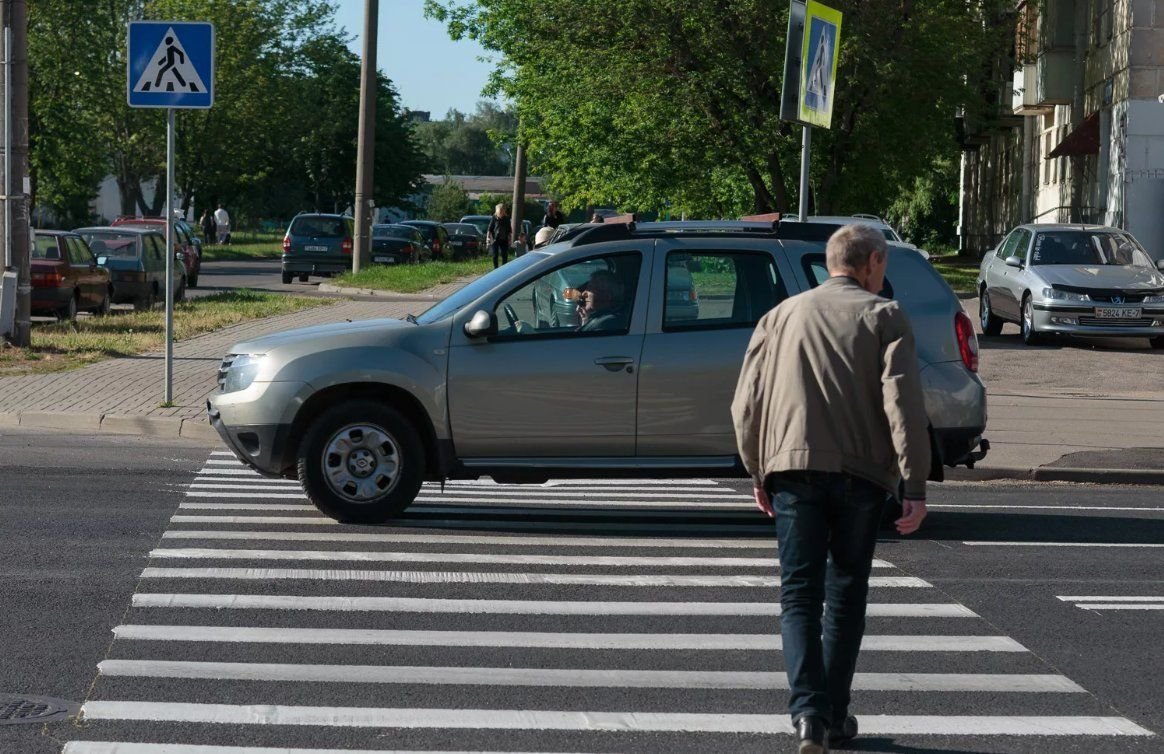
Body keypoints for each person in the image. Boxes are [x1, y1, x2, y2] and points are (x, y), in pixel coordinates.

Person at [730, 224, 930, 754]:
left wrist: (757, 470)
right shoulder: (884, 316)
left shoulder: (780, 315)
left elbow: (744, 403)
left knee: (798, 595)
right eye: (882, 267)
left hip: (792, 470)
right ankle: (835, 714)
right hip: (863, 476)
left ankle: (808, 717)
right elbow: (904, 406)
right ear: (873, 261)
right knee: (845, 595)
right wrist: (914, 484)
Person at [485, 203, 511, 269]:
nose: (501, 214)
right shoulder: (494, 217)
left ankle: (504, 269)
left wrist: (509, 239)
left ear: (504, 211)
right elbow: (490, 229)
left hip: (504, 239)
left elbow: (509, 230)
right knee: (495, 255)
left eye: (502, 212)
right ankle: (495, 269)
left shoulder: (507, 218)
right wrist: (488, 238)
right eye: (499, 212)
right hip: (495, 239)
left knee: (504, 256)